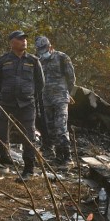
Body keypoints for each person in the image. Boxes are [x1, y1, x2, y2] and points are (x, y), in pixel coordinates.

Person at [0, 30, 44, 179]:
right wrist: (6, 94)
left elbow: (40, 84)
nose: (24, 41)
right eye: (20, 39)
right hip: (6, 103)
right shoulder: (3, 60)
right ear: (12, 42)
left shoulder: (33, 60)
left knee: (28, 137)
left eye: (25, 39)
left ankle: (28, 170)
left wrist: (29, 96)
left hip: (27, 105)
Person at [34, 35, 76, 165]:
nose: (42, 52)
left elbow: (71, 79)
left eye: (44, 48)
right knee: (51, 128)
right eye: (40, 49)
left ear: (50, 47)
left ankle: (67, 157)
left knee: (61, 127)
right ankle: (59, 156)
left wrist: (67, 93)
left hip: (60, 98)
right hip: (46, 99)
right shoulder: (38, 60)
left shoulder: (62, 57)